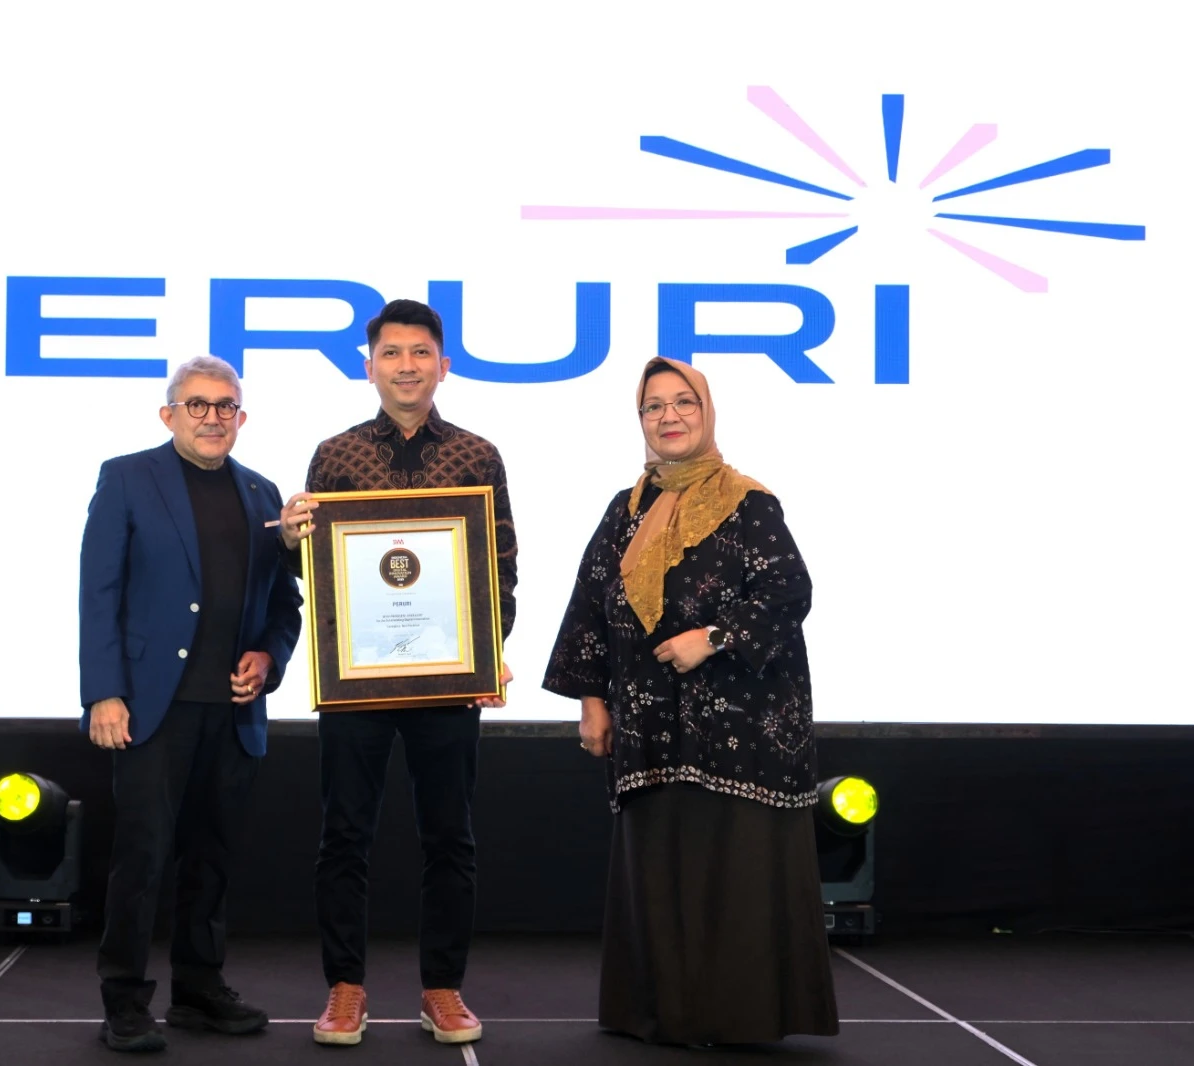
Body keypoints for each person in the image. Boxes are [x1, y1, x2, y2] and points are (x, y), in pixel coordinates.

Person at [541, 356, 839, 1046]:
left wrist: (712, 638)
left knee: (731, 872)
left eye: (683, 402)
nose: (669, 416)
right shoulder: (626, 510)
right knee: (662, 868)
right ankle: (664, 1016)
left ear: (706, 413)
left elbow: (788, 591)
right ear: (640, 419)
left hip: (742, 729)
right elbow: (591, 606)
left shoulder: (747, 501)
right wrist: (591, 700)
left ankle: (734, 1019)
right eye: (654, 406)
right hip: (650, 728)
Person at [274, 299, 516, 1047]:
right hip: (358, 682)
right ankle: (345, 988)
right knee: (344, 835)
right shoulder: (334, 455)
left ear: (443, 365)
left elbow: (500, 564)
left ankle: (442, 988)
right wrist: (290, 540)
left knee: (450, 837)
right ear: (369, 365)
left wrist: (487, 649)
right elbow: (317, 569)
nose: (406, 366)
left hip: (449, 679)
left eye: (419, 353)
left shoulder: (477, 455)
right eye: (391, 353)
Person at [79, 355, 304, 1053]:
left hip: (233, 714)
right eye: (198, 405)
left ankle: (199, 991)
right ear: (168, 414)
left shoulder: (264, 494)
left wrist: (268, 659)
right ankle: (124, 1000)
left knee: (212, 859)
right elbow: (99, 593)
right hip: (152, 709)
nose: (212, 417)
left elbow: (285, 606)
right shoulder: (126, 477)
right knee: (142, 859)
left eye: (225, 406)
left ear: (242, 416)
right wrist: (104, 691)